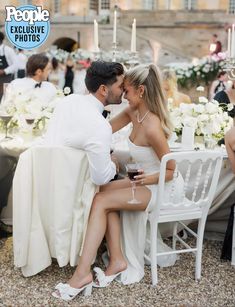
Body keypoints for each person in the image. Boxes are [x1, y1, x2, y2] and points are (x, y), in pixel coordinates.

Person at [52, 64, 183, 301]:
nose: (123, 95)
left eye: (128, 91)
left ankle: (83, 273)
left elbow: (172, 170)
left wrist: (147, 178)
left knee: (102, 200)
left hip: (160, 185)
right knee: (101, 191)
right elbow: (101, 130)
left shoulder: (153, 126)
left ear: (141, 91)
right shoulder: (133, 113)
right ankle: (117, 260)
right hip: (143, 181)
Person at [44, 61, 124, 185]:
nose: (123, 90)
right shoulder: (100, 125)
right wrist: (113, 163)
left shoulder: (68, 101)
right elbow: (101, 178)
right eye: (120, 86)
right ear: (103, 89)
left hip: (48, 180)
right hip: (75, 190)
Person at [0, 31, 18, 100]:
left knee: (5, 98)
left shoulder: (8, 50)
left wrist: (4, 71)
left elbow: (16, 65)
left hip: (5, 79)